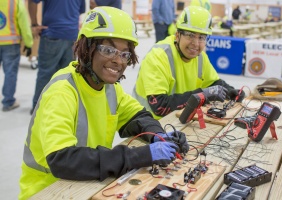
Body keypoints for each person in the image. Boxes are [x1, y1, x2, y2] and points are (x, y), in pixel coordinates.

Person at [18, 7, 189, 199]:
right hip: (48, 190)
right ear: (86, 47)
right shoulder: (62, 91)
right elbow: (62, 160)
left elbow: (137, 116)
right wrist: (139, 156)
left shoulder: (109, 88)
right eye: (108, 50)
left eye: (124, 54)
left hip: (86, 182)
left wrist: (158, 135)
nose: (118, 61)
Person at [132, 6, 245, 120]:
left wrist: (230, 91)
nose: (195, 43)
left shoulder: (200, 57)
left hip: (178, 118)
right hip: (146, 123)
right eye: (190, 35)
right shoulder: (158, 56)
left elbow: (214, 83)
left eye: (201, 37)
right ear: (177, 35)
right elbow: (160, 106)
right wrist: (202, 95)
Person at [28, 0, 86, 114]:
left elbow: (32, 2)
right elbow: (80, 10)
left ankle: (38, 108)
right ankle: (60, 107)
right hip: (72, 36)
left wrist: (34, 24)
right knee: (66, 75)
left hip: (52, 34)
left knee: (45, 73)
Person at [0, 0, 33, 112]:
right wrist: (29, 43)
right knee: (10, 72)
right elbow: (23, 23)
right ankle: (8, 102)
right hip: (11, 43)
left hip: (10, 43)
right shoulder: (15, 2)